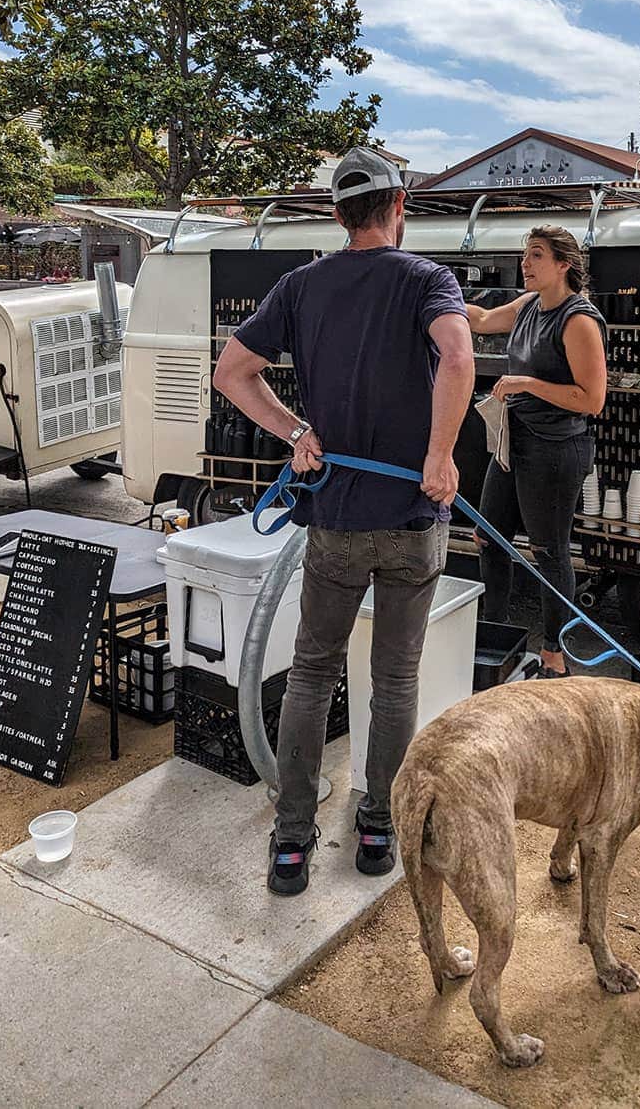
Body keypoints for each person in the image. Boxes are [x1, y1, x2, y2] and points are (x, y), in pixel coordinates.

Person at [213, 147, 474, 897]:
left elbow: (231, 373)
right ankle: (378, 829)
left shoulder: (300, 285)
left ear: (337, 215)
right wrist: (439, 455)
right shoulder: (427, 279)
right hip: (411, 517)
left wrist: (296, 432)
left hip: (333, 519)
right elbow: (459, 358)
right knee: (394, 679)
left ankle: (292, 840)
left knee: (311, 674)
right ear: (399, 207)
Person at [466, 226, 607, 678]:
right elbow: (482, 320)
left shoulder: (577, 320)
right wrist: (433, 297)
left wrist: (526, 383)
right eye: (525, 255)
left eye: (536, 255)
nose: (525, 263)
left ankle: (554, 655)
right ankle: (495, 634)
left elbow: (592, 400)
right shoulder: (529, 305)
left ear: (563, 264)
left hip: (556, 448)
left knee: (549, 551)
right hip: (516, 440)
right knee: (488, 535)